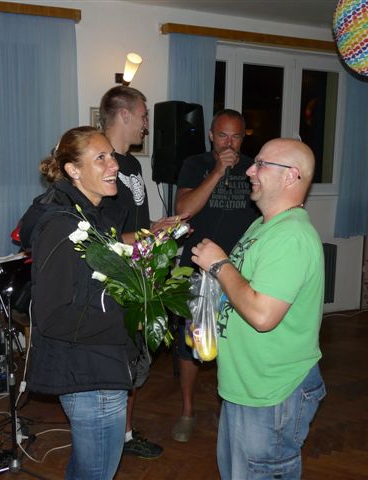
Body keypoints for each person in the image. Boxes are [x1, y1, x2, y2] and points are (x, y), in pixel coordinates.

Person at [191, 138, 326, 479]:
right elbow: (243, 289)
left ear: (290, 176)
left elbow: (263, 315)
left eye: (262, 164)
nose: (250, 170)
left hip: (273, 392)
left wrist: (219, 264)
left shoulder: (291, 236)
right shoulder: (263, 226)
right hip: (247, 384)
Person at [26, 127, 138, 479]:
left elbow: (92, 289)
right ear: (73, 170)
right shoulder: (63, 227)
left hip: (99, 365)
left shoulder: (93, 218)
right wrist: (127, 321)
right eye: (100, 158)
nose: (113, 165)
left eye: (112, 156)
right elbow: (52, 316)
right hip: (90, 376)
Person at [99, 85, 185, 459]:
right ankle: (111, 438)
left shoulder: (132, 166)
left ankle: (125, 434)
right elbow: (100, 237)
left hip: (139, 276)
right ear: (124, 115)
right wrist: (149, 236)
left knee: (134, 363)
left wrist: (156, 226)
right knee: (117, 365)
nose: (146, 125)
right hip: (112, 281)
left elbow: (133, 225)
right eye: (143, 116)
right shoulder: (100, 164)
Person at [171, 108, 258, 442]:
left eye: (236, 136)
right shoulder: (195, 165)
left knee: (234, 344)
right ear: (211, 135)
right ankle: (187, 410)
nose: (229, 143)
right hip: (196, 268)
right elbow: (184, 210)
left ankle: (231, 408)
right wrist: (219, 170)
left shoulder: (254, 168)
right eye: (222, 135)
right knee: (190, 345)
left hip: (240, 272)